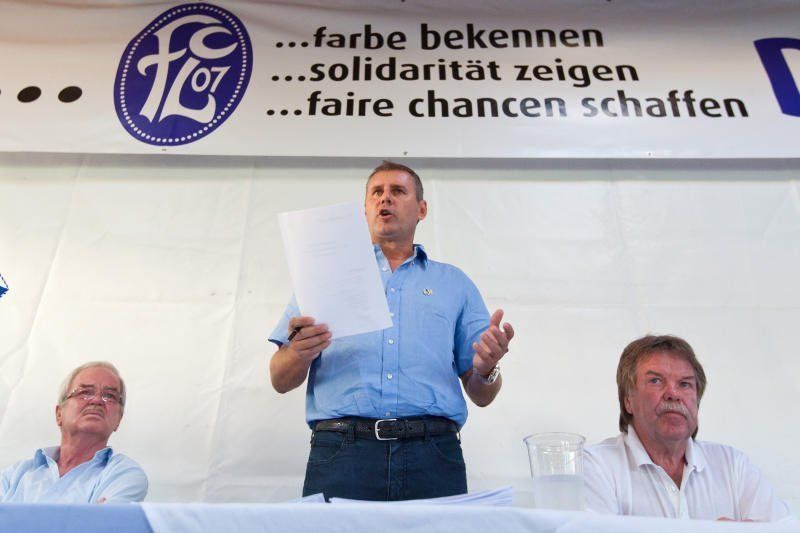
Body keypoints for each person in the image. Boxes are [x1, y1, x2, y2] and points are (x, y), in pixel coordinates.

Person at [269, 161, 514, 501]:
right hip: (342, 454)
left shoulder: (454, 284)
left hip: (433, 455)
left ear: (422, 209)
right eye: (376, 192)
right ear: (364, 211)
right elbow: (280, 380)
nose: (385, 198)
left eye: (398, 191)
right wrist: (297, 352)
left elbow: (482, 395)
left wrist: (487, 370)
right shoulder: (324, 276)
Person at [583, 335, 789, 521]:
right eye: (656, 381)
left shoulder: (733, 466)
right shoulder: (596, 467)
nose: (673, 394)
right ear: (628, 400)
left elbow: (785, 528)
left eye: (684, 384)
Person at [0, 362, 148, 503]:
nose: (97, 400)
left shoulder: (124, 474)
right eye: (85, 392)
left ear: (118, 420)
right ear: (59, 414)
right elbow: (90, 519)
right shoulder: (13, 476)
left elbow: (101, 521)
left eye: (110, 396)